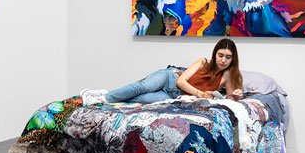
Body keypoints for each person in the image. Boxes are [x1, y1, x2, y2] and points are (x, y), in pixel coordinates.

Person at [81, 39, 243, 105]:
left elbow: (229, 100)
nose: (223, 60)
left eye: (228, 57)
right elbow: (180, 81)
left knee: (140, 99)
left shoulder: (228, 76)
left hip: (173, 96)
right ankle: (103, 97)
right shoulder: (203, 62)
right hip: (169, 78)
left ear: (233, 59)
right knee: (142, 87)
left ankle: (105, 98)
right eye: (220, 55)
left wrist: (236, 95)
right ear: (215, 54)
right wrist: (200, 94)